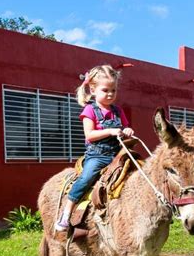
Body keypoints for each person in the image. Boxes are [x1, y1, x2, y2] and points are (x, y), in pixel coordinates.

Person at [55, 64, 134, 231]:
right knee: (85, 179)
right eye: (106, 90)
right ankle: (67, 212)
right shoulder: (90, 110)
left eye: (114, 90)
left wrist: (127, 130)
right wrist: (110, 131)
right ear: (93, 90)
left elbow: (124, 128)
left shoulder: (118, 111)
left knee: (139, 172)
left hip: (118, 154)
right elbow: (89, 135)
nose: (110, 94)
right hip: (98, 156)